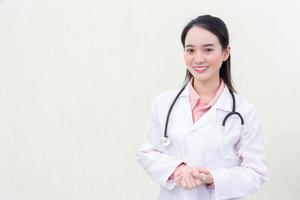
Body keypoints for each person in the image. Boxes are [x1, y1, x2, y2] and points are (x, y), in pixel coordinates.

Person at [136, 15, 269, 200]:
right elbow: (147, 153)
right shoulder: (163, 103)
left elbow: (256, 171)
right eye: (190, 50)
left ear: (225, 53)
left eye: (208, 50)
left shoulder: (243, 110)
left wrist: (212, 178)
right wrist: (178, 170)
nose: (198, 59)